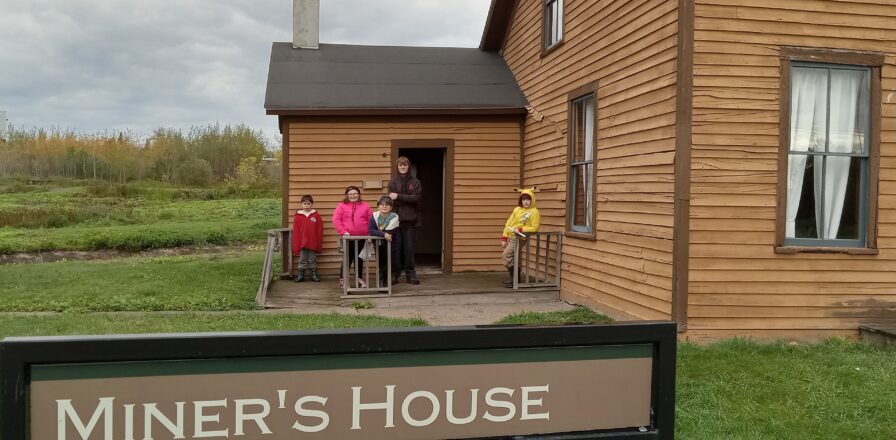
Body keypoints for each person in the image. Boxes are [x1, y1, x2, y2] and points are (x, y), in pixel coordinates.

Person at [388, 156, 422, 284]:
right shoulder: (392, 182)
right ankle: (394, 274)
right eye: (400, 165)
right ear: (397, 167)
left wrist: (399, 196)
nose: (403, 167)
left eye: (405, 165)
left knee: (409, 249)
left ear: (409, 166)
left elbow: (417, 199)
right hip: (395, 222)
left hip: (410, 221)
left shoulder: (416, 182)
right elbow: (392, 201)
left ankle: (411, 275)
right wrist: (407, 199)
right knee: (395, 249)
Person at [332, 186, 373, 288]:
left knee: (359, 258)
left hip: (361, 238)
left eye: (355, 193)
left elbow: (371, 220)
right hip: (347, 238)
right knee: (347, 258)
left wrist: (369, 234)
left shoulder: (365, 206)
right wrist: (342, 231)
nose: (353, 196)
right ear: (347, 195)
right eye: (350, 194)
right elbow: (336, 220)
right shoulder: (341, 205)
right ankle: (343, 279)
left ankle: (359, 279)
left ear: (359, 194)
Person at [501, 188, 541, 287]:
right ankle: (515, 280)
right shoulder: (517, 209)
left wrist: (521, 229)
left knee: (506, 255)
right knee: (515, 258)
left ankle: (514, 279)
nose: (525, 202)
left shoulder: (535, 212)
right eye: (523, 199)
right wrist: (504, 238)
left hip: (519, 237)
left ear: (532, 200)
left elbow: (534, 227)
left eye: (528, 199)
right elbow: (508, 223)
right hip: (511, 236)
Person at [368, 195, 400, 288]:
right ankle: (382, 282)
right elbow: (371, 230)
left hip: (391, 243)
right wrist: (383, 234)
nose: (384, 207)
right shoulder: (374, 216)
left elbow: (389, 232)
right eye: (382, 205)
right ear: (378, 206)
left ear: (391, 207)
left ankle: (388, 281)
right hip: (379, 243)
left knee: (391, 262)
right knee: (381, 262)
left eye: (387, 205)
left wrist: (381, 233)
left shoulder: (394, 216)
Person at [292, 194, 323, 282]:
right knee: (302, 259)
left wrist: (317, 241)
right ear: (301, 204)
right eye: (304, 204)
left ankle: (313, 275)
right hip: (302, 242)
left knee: (312, 259)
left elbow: (319, 229)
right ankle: (301, 276)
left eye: (308, 204)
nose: (306, 205)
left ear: (312, 204)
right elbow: (296, 231)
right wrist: (298, 242)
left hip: (312, 241)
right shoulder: (298, 216)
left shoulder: (316, 216)